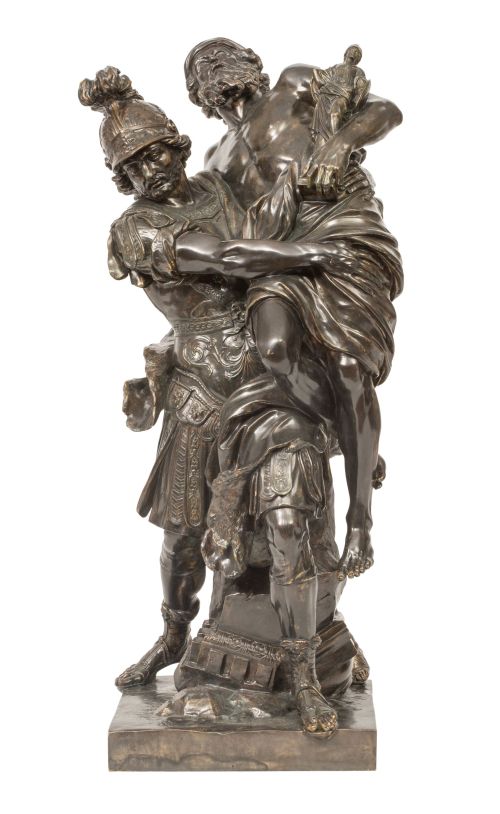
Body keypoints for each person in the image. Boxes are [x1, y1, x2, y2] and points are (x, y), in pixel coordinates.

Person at [79, 68, 351, 732]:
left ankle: (304, 667)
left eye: (156, 152)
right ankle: (174, 635)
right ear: (121, 178)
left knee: (290, 527)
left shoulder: (215, 187)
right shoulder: (135, 229)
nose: (149, 170)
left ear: (176, 144)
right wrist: (317, 255)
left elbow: (277, 188)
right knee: (183, 534)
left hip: (269, 383)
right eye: (132, 166)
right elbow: (229, 258)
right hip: (200, 395)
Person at [184, 38, 403, 580]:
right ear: (198, 94)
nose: (214, 70)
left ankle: (360, 520)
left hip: (342, 227)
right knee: (276, 350)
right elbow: (224, 238)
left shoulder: (293, 83)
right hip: (278, 256)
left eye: (221, 58)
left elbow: (385, 111)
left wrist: (340, 144)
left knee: (349, 368)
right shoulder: (215, 160)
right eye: (202, 69)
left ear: (249, 64)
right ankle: (350, 433)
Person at [310, 44, 371, 144]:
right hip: (326, 93)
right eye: (352, 50)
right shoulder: (336, 67)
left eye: (357, 52)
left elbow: (360, 86)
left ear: (358, 58)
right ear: (346, 53)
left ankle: (337, 142)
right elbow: (323, 79)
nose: (354, 53)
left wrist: (361, 85)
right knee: (321, 115)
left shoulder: (358, 70)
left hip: (343, 95)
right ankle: (326, 141)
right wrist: (316, 73)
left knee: (335, 113)